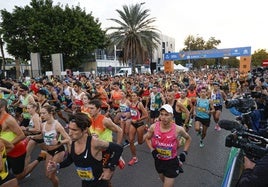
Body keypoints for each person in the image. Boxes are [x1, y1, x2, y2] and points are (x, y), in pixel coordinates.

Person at [47, 112, 123, 187]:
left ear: (85, 130)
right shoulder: (72, 142)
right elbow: (70, 159)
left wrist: (110, 168)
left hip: (100, 183)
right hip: (85, 183)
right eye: (69, 129)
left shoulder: (94, 143)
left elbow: (118, 148)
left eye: (74, 130)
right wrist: (57, 165)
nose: (70, 133)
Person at [145, 104, 191, 187]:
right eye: (161, 114)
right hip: (158, 160)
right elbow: (147, 138)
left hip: (171, 162)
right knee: (165, 183)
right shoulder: (153, 127)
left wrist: (185, 152)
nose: (163, 117)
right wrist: (152, 150)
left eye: (166, 115)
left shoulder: (178, 129)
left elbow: (188, 139)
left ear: (172, 116)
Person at [37, 105, 71, 187]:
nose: (41, 115)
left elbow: (68, 139)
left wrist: (58, 142)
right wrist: (30, 137)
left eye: (44, 113)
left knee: (51, 175)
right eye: (40, 113)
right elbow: (42, 136)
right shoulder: (43, 125)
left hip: (58, 150)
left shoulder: (57, 125)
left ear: (51, 113)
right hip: (49, 151)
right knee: (47, 174)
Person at [126, 91, 148, 166]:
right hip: (133, 124)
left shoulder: (140, 104)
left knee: (140, 142)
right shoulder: (131, 104)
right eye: (132, 96)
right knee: (131, 140)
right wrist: (126, 117)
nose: (133, 97)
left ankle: (148, 135)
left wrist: (138, 120)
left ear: (137, 97)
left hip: (139, 124)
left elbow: (146, 115)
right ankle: (134, 158)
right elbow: (132, 113)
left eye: (134, 96)